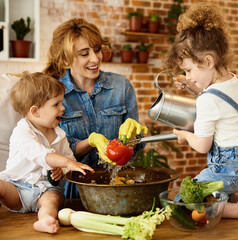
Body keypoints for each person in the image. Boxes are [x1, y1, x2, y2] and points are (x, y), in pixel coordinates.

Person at [163, 4, 238, 219]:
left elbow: (202, 145)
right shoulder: (233, 81)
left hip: (229, 170)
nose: (188, 76)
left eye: (189, 70)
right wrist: (192, 85)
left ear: (208, 61)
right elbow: (215, 97)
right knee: (216, 193)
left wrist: (184, 136)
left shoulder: (208, 100)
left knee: (186, 200)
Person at [43, 18, 146, 198]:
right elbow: (50, 151)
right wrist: (90, 142)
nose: (95, 58)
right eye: (84, 53)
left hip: (113, 186)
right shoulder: (52, 94)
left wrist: (132, 139)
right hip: (68, 192)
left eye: (97, 50)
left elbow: (133, 149)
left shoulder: (121, 86)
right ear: (66, 59)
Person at [0, 72, 94, 234]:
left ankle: (45, 220)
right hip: (17, 187)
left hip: (46, 190)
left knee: (53, 200)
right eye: (56, 104)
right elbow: (41, 155)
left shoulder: (60, 135)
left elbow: (68, 160)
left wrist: (63, 168)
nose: (62, 108)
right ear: (35, 112)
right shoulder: (22, 131)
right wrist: (66, 163)